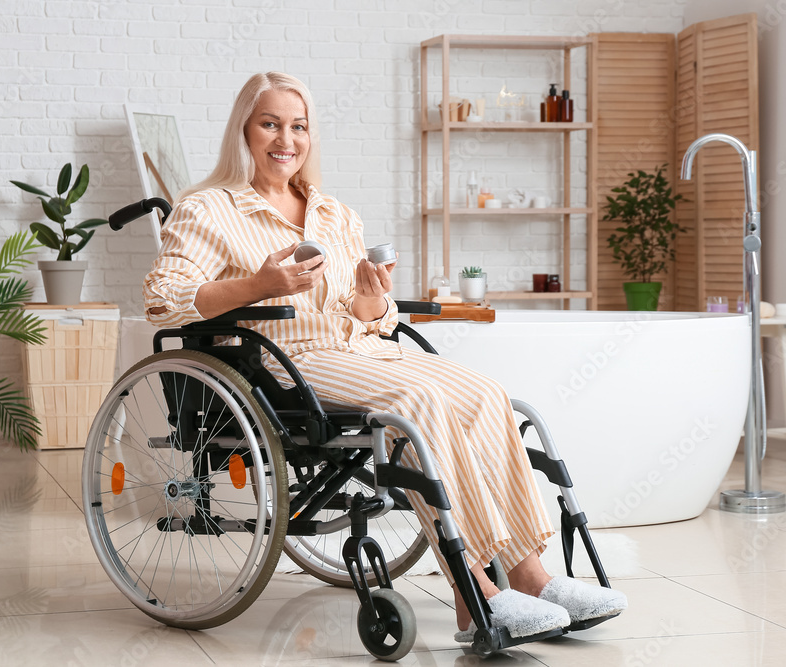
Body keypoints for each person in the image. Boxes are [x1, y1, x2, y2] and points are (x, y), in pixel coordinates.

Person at [143, 71, 626, 640]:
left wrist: (372, 299)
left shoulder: (333, 213)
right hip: (284, 359)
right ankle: (473, 592)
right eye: (270, 124)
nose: (286, 140)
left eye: (298, 126)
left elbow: (372, 314)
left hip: (363, 348)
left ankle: (531, 575)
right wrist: (259, 285)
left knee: (485, 393)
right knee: (417, 401)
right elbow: (163, 300)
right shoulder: (207, 209)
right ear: (243, 130)